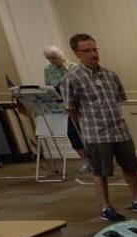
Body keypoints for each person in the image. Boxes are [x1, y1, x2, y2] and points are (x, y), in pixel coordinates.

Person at [61, 33, 137, 222]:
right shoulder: (72, 78)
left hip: (119, 130)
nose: (93, 54)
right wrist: (84, 133)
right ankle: (106, 208)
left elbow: (119, 100)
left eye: (95, 49)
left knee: (130, 167)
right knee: (100, 171)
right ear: (77, 53)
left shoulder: (110, 75)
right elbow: (72, 109)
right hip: (96, 134)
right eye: (86, 51)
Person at [42, 44, 89, 173]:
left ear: (61, 55)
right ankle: (85, 160)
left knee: (85, 133)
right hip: (62, 106)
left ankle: (95, 159)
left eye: (54, 57)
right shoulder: (48, 70)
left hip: (78, 106)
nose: (52, 60)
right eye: (49, 58)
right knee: (73, 135)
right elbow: (47, 86)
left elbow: (81, 87)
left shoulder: (74, 67)